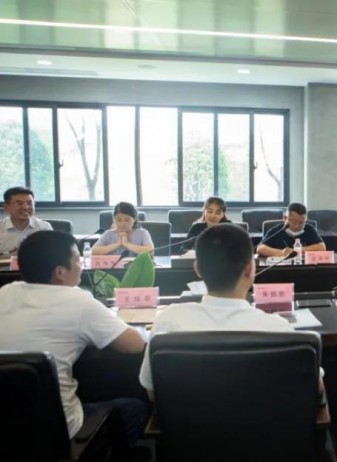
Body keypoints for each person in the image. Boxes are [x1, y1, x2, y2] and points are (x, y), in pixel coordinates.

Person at [0, 231, 146, 445]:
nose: (82, 265)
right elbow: (135, 345)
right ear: (60, 272)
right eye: (78, 260)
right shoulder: (77, 300)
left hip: (6, 427)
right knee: (135, 408)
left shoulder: (5, 292)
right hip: (59, 432)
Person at [140, 224, 297, 396]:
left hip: (185, 414)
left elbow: (153, 393)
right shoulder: (278, 329)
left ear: (197, 269)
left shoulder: (168, 321)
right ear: (249, 269)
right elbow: (306, 391)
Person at [256, 202, 326, 257]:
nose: (297, 225)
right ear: (285, 218)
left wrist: (296, 251)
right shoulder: (276, 230)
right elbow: (260, 249)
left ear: (306, 220)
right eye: (293, 222)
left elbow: (322, 247)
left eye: (301, 223)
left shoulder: (309, 229)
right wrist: (283, 253)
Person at [0, 186, 52, 254]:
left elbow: (52, 254)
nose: (25, 207)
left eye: (29, 203)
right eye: (19, 204)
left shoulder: (44, 228)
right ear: (6, 207)